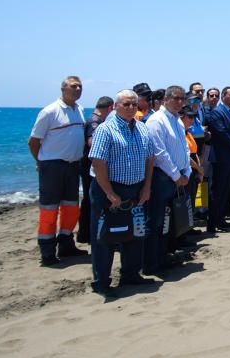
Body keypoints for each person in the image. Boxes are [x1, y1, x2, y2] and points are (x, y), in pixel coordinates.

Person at [87, 89, 155, 298]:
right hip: (108, 189)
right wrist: (109, 192)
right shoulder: (105, 130)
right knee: (104, 237)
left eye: (134, 104)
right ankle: (102, 281)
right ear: (116, 106)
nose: (131, 108)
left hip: (135, 188)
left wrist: (146, 187)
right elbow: (98, 161)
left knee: (135, 234)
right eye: (126, 104)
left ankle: (131, 274)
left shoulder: (142, 129)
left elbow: (149, 159)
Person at [28, 76, 88, 265]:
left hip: (72, 166)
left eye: (80, 86)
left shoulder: (79, 109)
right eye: (73, 86)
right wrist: (41, 161)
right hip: (53, 166)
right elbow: (33, 141)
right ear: (63, 89)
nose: (77, 89)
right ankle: (47, 252)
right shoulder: (50, 111)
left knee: (71, 207)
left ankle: (66, 244)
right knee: (49, 210)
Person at [142, 85, 191, 276]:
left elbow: (184, 148)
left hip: (178, 176)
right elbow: (159, 153)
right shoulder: (156, 121)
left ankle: (163, 257)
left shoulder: (177, 121)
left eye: (182, 99)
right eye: (176, 98)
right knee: (155, 221)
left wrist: (185, 171)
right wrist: (176, 175)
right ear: (166, 99)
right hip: (162, 177)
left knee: (168, 221)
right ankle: (150, 264)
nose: (180, 102)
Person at [78, 96, 113, 244]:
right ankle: (86, 234)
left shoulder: (95, 120)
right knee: (90, 201)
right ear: (110, 108)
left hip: (88, 164)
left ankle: (85, 234)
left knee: (88, 200)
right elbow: (92, 143)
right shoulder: (95, 122)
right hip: (90, 166)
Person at [208, 86, 230, 231]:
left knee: (226, 190)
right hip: (221, 157)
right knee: (218, 190)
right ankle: (213, 223)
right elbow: (221, 132)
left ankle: (221, 219)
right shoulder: (217, 112)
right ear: (224, 96)